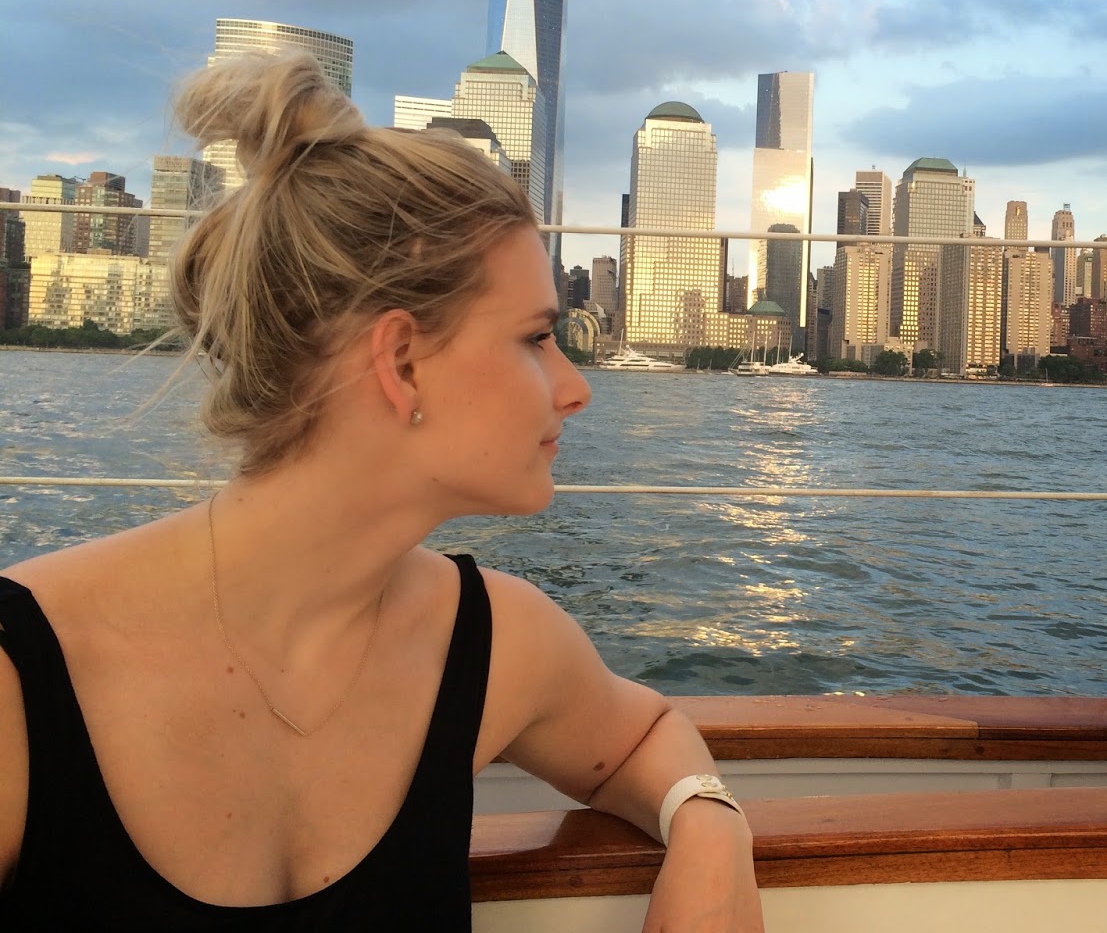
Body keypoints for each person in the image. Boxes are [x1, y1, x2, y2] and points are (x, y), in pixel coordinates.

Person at [0, 52, 765, 929]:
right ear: (401, 362)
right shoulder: (20, 678)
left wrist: (711, 831)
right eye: (535, 338)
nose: (575, 387)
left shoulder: (496, 640)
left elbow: (640, 737)